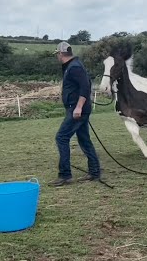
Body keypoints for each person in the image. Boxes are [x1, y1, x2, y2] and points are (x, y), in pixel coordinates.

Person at [47, 41, 101, 186]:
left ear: (60, 53)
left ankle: (65, 175)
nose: (57, 57)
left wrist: (78, 107)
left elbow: (85, 87)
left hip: (77, 110)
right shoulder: (72, 66)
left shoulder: (75, 67)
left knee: (61, 137)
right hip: (77, 108)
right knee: (84, 140)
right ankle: (94, 172)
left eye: (57, 54)